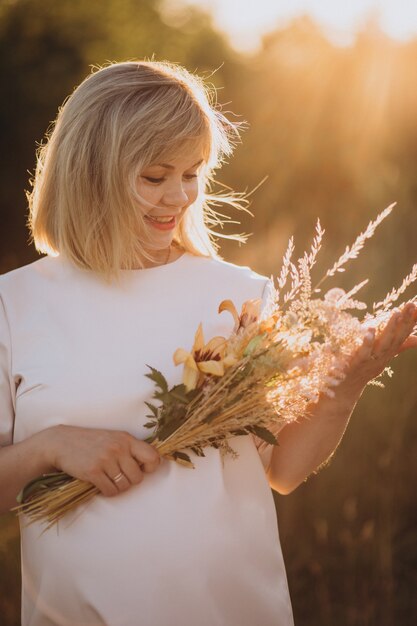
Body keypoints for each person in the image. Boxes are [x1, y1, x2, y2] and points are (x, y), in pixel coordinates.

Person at [0, 61, 416, 626]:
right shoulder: (15, 303)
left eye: (192, 173)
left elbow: (282, 470)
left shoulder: (238, 296)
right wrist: (50, 448)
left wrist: (345, 387)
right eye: (154, 176)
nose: (180, 198)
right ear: (89, 173)